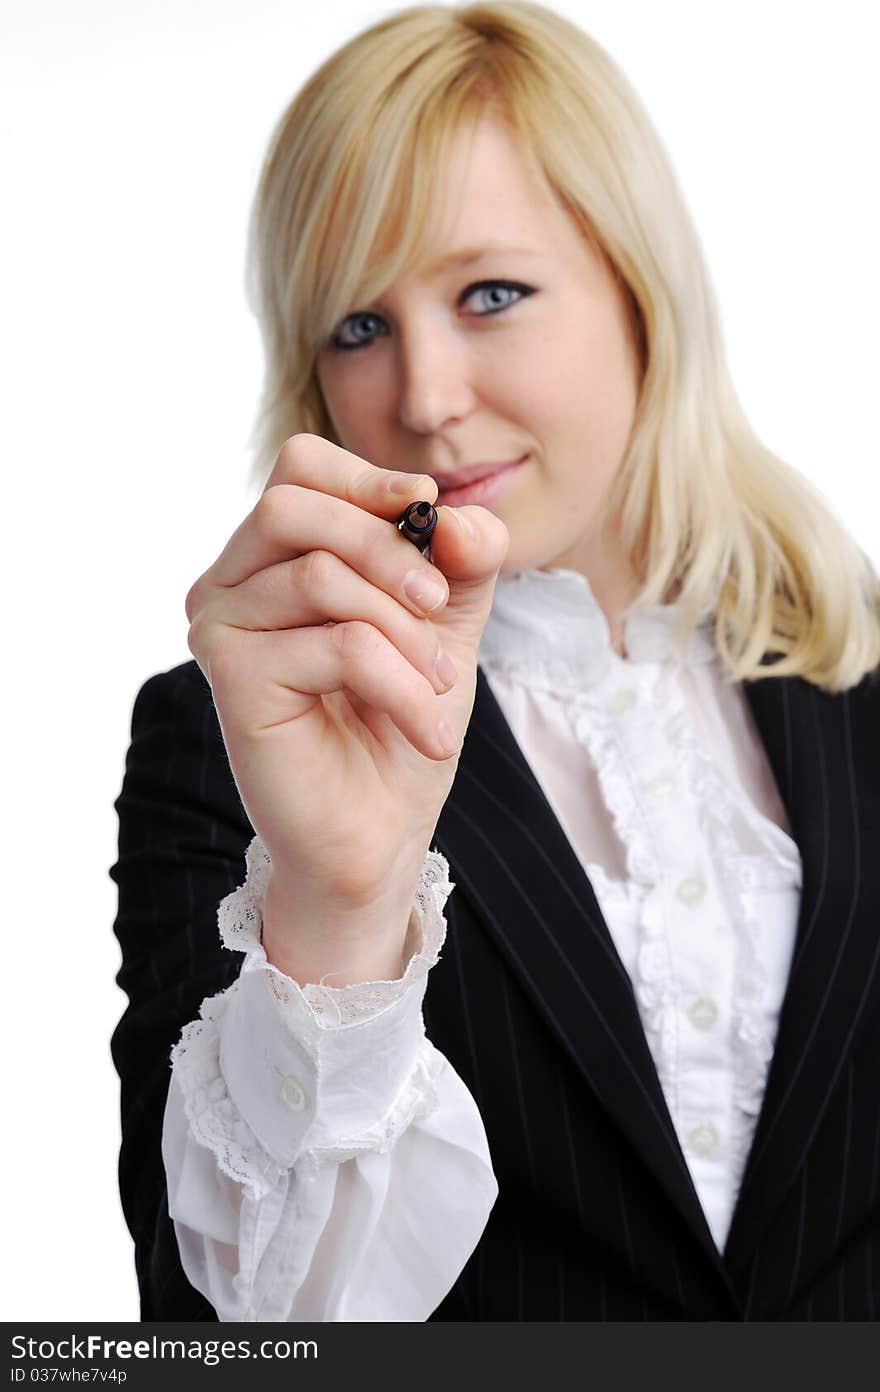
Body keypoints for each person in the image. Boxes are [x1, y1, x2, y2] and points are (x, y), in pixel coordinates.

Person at [110, 1, 880, 1322]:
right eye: (358, 326)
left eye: (492, 294)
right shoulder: (232, 733)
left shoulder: (852, 681)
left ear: (643, 288)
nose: (423, 396)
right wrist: (341, 906)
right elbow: (225, 1330)